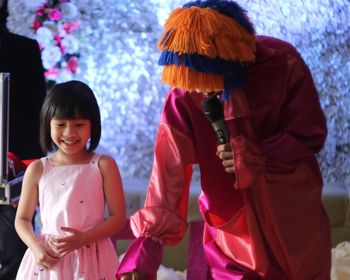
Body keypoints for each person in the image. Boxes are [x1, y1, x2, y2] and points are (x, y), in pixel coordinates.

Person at [117, 1, 331, 279]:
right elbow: (167, 175)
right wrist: (144, 251)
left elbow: (309, 131)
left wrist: (260, 155)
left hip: (294, 217)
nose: (194, 87)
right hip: (233, 231)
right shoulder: (182, 96)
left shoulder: (281, 62)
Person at [14, 80, 126, 279]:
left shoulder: (104, 165)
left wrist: (83, 239)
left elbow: (118, 218)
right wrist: (35, 246)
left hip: (93, 257)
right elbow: (22, 219)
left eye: (79, 125)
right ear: (48, 124)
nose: (69, 133)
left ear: (93, 125)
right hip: (49, 258)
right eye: (60, 124)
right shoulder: (38, 169)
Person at [0, 0, 46, 278]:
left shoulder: (24, 51)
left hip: (13, 180)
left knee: (15, 258)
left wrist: (30, 179)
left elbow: (37, 122)